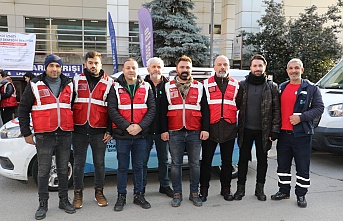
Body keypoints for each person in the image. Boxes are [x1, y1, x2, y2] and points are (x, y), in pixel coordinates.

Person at [18, 54, 76, 220]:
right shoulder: (35, 84)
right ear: (46, 67)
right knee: (43, 171)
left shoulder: (70, 84)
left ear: (61, 68)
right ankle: (43, 204)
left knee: (63, 169)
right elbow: (23, 109)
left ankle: (64, 200)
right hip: (44, 135)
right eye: (51, 66)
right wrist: (26, 132)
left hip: (64, 133)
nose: (54, 69)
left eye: (57, 66)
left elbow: (72, 107)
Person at [271, 58, 324, 208]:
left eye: (297, 68)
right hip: (283, 134)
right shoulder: (281, 87)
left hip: (302, 135)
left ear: (302, 70)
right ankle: (283, 191)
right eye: (291, 68)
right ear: (287, 71)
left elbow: (319, 108)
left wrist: (301, 117)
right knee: (283, 165)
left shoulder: (312, 88)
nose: (294, 71)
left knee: (302, 166)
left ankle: (301, 194)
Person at [160, 55, 210, 207]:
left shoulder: (199, 86)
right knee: (176, 164)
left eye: (187, 67)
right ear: (177, 69)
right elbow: (162, 110)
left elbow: (206, 110)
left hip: (195, 131)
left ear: (191, 69)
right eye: (182, 67)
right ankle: (177, 194)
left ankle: (194, 193)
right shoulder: (168, 86)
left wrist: (205, 129)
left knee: (195, 164)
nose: (185, 70)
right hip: (174, 131)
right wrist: (163, 130)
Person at [108, 58, 155, 211]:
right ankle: (121, 196)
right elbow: (112, 110)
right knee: (122, 167)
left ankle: (139, 195)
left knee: (139, 167)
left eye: (133, 68)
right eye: (128, 68)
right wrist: (127, 126)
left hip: (141, 135)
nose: (131, 70)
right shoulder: (115, 87)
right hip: (123, 135)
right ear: (124, 70)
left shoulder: (146, 86)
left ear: (137, 70)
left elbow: (151, 109)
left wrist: (140, 127)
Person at [234, 54, 280, 201]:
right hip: (245, 130)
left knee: (262, 161)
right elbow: (236, 105)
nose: (257, 69)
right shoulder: (242, 85)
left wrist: (274, 130)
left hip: (263, 131)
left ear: (264, 67)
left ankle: (259, 190)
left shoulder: (272, 87)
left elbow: (276, 110)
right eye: (255, 66)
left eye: (260, 66)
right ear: (251, 67)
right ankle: (240, 190)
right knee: (242, 160)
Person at [72, 51, 113, 209]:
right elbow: (69, 105)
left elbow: (112, 109)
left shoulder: (109, 82)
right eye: (90, 63)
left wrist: (109, 130)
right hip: (79, 130)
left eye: (96, 63)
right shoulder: (76, 80)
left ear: (100, 65)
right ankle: (77, 194)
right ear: (85, 64)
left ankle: (99, 192)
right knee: (78, 164)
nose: (93, 66)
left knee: (99, 164)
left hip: (99, 131)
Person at [199, 55, 239, 202]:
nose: (222, 67)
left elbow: (239, 105)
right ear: (214, 67)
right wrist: (204, 128)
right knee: (206, 162)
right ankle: (203, 191)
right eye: (219, 64)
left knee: (227, 163)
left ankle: (226, 190)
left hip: (229, 129)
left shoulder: (236, 85)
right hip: (210, 129)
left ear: (228, 67)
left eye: (225, 64)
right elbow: (201, 109)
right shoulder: (204, 84)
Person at [142, 57, 173, 197]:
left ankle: (164, 185)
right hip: (145, 131)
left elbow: (170, 110)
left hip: (162, 131)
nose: (156, 69)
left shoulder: (169, 86)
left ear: (162, 69)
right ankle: (141, 187)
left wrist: (166, 129)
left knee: (164, 160)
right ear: (148, 69)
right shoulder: (142, 84)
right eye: (153, 67)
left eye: (159, 67)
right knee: (142, 161)